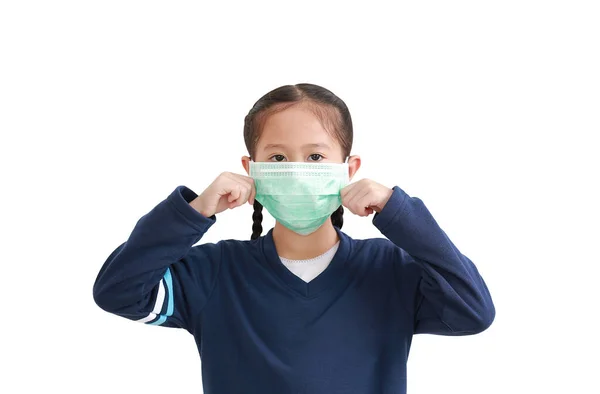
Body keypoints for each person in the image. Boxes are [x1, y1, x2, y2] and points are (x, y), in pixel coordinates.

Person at [93, 83, 495, 394]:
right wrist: (193, 211)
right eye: (279, 159)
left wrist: (400, 214)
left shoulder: (391, 270)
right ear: (251, 169)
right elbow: (118, 290)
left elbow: (473, 310)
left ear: (348, 167)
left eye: (316, 157)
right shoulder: (213, 272)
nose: (298, 171)